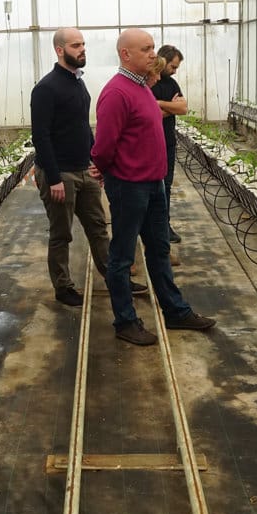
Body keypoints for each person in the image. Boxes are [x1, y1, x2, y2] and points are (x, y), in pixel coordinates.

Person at [92, 28, 215, 346]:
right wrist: (107, 171)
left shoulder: (143, 88)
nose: (152, 53)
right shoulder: (117, 92)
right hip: (130, 186)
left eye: (152, 48)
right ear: (126, 54)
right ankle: (125, 320)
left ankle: (175, 311)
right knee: (121, 256)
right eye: (146, 49)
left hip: (153, 184)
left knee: (159, 249)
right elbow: (104, 146)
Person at [30, 27, 147, 307]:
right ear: (60, 50)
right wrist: (55, 178)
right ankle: (63, 286)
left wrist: (96, 161)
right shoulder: (46, 88)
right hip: (61, 174)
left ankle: (115, 279)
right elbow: (40, 136)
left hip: (84, 169)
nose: (82, 49)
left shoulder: (77, 82)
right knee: (61, 233)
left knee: (98, 227)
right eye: (75, 45)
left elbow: (83, 127)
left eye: (83, 44)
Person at [152, 44, 187, 243]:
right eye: (173, 67)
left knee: (166, 186)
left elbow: (183, 108)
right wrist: (170, 107)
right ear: (163, 61)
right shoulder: (149, 82)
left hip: (168, 143)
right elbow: (149, 115)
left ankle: (164, 227)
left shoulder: (172, 84)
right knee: (154, 188)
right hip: (152, 144)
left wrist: (159, 104)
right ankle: (155, 228)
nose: (174, 71)